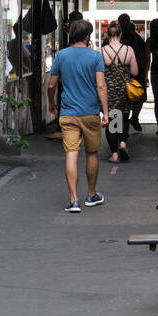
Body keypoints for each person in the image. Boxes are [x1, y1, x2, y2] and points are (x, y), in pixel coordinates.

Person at [48, 19, 109, 213]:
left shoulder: (61, 56)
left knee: (71, 154)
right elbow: (101, 85)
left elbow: (51, 85)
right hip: (90, 112)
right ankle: (91, 195)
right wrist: (106, 112)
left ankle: (74, 200)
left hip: (68, 113)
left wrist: (51, 102)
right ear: (87, 36)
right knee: (92, 153)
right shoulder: (95, 56)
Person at [101, 22, 139, 163]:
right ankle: (123, 143)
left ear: (107, 34)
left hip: (108, 91)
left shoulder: (102, 51)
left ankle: (114, 155)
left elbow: (98, 74)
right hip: (125, 91)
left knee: (111, 120)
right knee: (123, 118)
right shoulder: (129, 50)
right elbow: (135, 72)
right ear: (121, 34)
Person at [118, 13, 149, 131]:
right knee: (139, 95)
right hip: (137, 72)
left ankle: (119, 127)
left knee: (122, 98)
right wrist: (145, 73)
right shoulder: (137, 38)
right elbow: (145, 56)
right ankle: (134, 117)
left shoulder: (116, 38)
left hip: (120, 74)